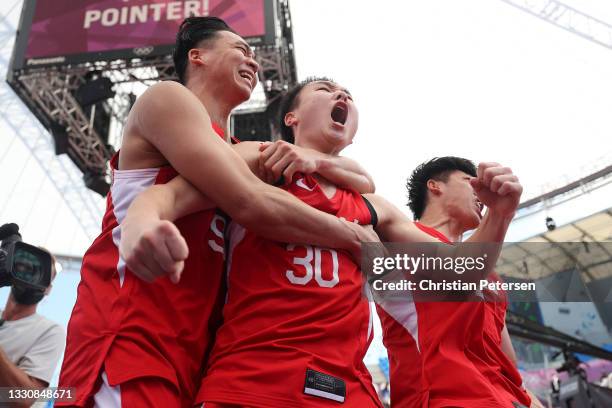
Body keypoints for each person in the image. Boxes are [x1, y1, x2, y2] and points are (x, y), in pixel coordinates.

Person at [122, 77, 523, 407]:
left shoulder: (372, 205)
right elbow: (170, 195)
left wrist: (501, 215)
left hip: (351, 391)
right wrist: (141, 220)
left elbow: (461, 272)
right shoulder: (257, 161)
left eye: (347, 93)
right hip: (254, 381)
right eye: (325, 89)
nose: (341, 95)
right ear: (291, 117)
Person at [57, 18, 378, 408]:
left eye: (255, 55)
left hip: (198, 358)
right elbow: (251, 202)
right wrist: (351, 234)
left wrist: (316, 161)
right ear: (198, 56)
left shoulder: (243, 150)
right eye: (241, 50)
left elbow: (361, 178)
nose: (254, 62)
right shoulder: (167, 98)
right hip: (133, 335)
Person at [377, 157, 542, 408]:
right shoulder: (396, 239)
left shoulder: (491, 277)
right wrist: (499, 214)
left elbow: (506, 362)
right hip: (440, 398)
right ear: (435, 186)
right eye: (469, 181)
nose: (480, 195)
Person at [0, 250, 65, 408]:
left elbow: (25, 398)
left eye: (40, 272)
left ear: (48, 288)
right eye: (22, 266)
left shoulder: (50, 331)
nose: (28, 274)